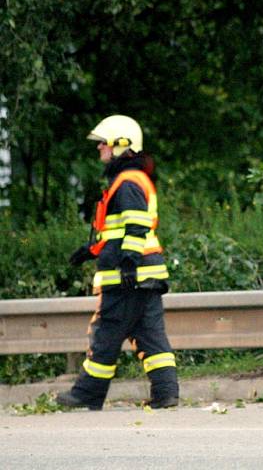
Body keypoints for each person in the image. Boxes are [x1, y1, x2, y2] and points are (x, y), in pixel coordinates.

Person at [57, 115, 179, 411]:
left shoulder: (126, 183)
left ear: (122, 145)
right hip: (146, 275)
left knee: (106, 332)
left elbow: (136, 226)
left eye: (104, 142)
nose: (99, 147)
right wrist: (92, 249)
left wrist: (127, 264)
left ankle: (87, 392)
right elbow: (119, 231)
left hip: (129, 276)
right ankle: (166, 393)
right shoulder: (131, 181)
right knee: (150, 336)